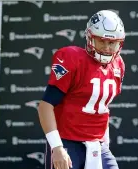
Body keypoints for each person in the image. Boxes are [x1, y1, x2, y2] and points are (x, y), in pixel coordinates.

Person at [38, 9, 125, 169]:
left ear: (119, 43)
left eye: (111, 42)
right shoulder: (72, 58)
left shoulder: (118, 65)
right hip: (67, 142)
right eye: (102, 41)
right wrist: (57, 147)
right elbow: (45, 106)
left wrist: (105, 143)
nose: (107, 47)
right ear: (90, 38)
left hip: (97, 144)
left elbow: (101, 106)